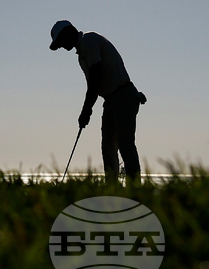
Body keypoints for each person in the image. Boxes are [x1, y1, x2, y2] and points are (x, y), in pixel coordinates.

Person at [49, 20, 147, 184]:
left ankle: (134, 188)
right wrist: (86, 110)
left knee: (125, 144)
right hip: (110, 100)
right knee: (108, 148)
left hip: (123, 95)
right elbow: (93, 85)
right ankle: (112, 188)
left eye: (60, 42)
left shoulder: (89, 40)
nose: (61, 47)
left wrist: (86, 111)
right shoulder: (81, 54)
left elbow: (96, 77)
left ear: (69, 32)